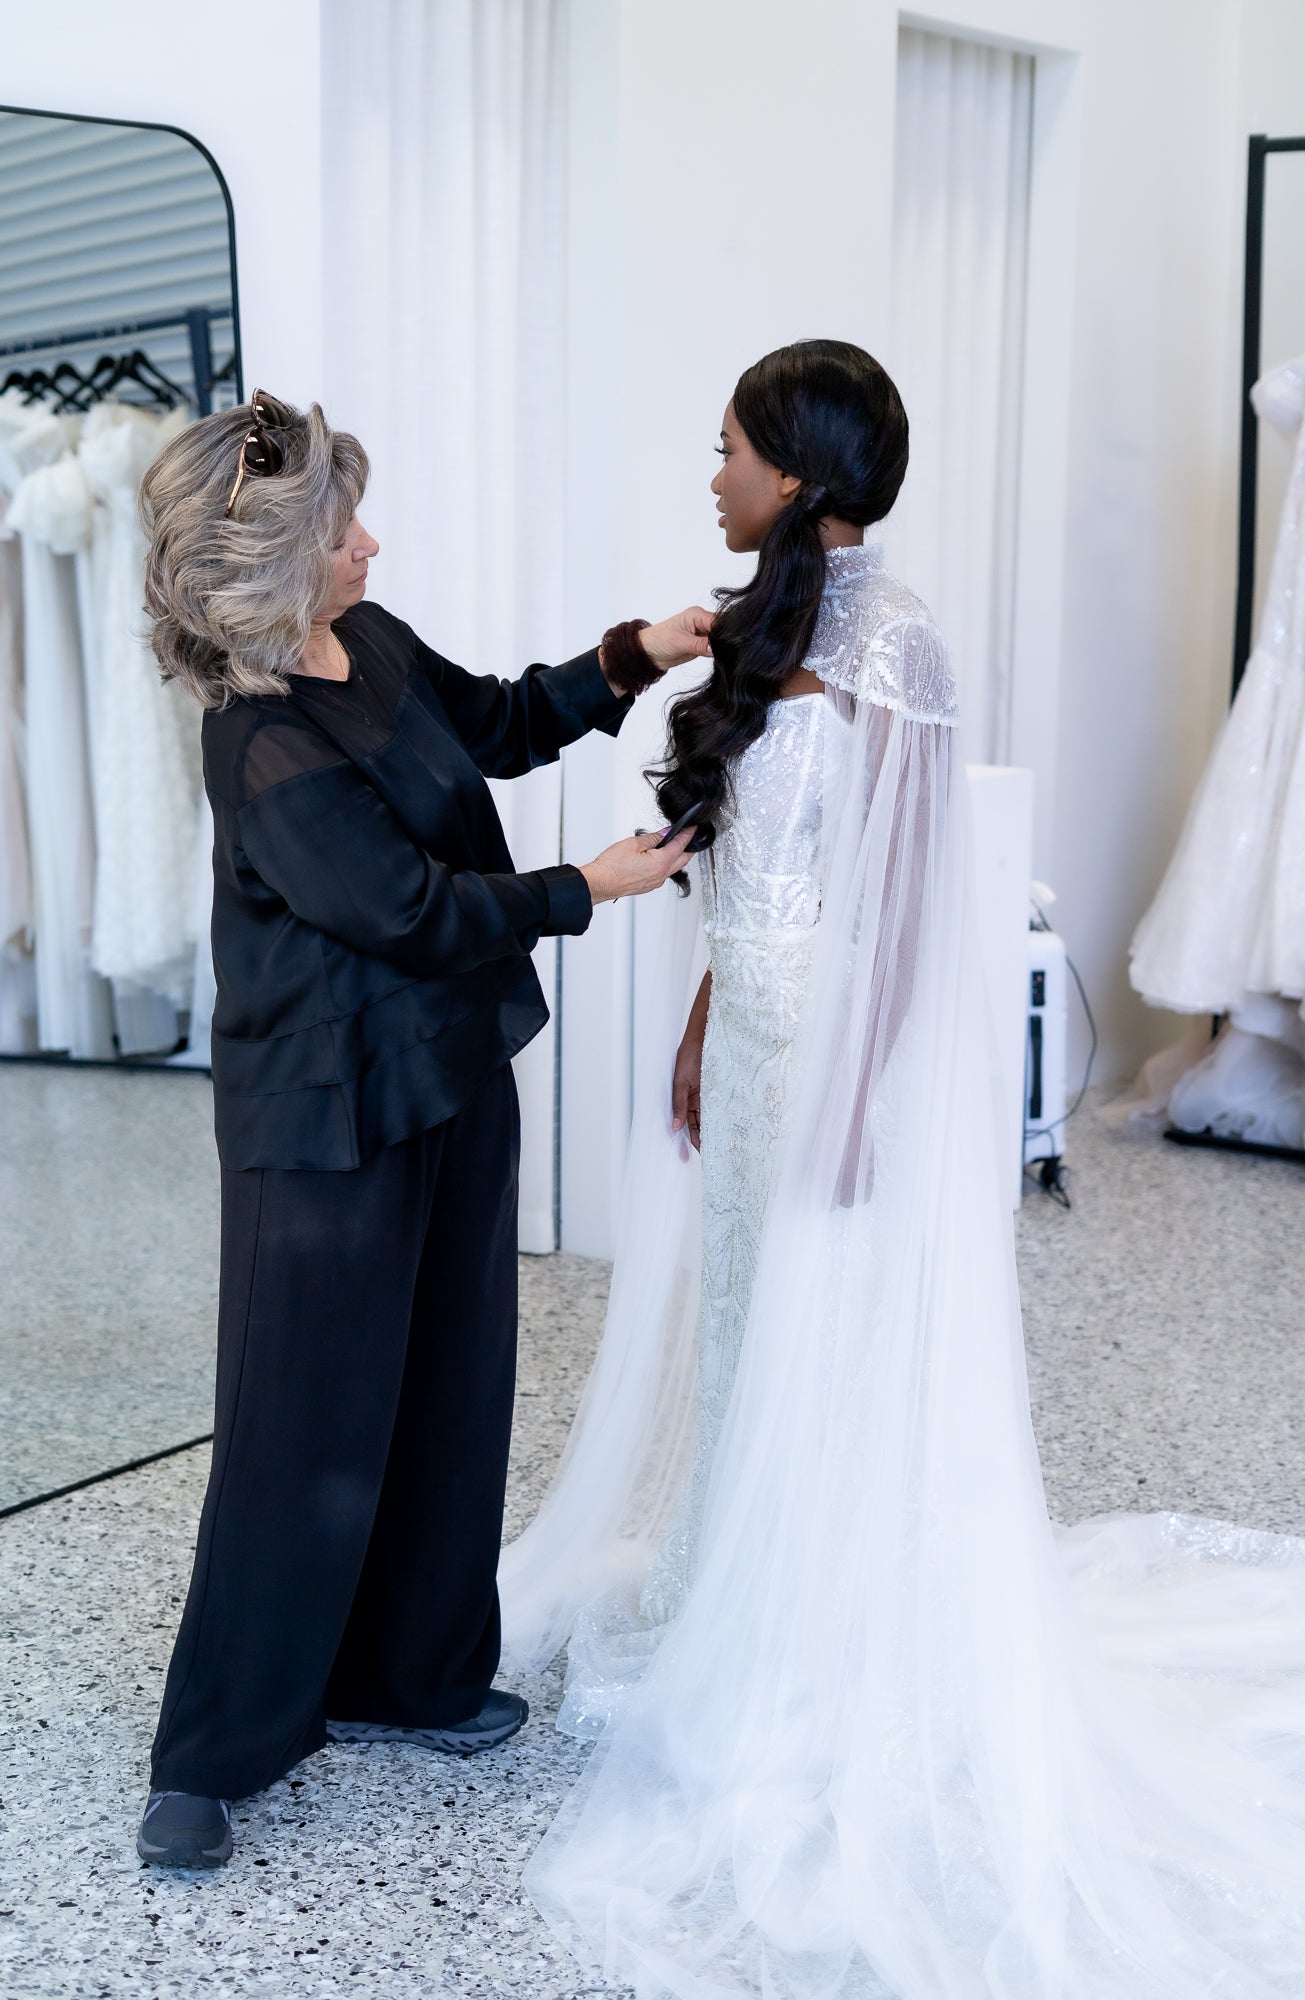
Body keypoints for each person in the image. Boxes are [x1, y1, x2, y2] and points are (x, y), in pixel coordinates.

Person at [501, 341, 1305, 1998]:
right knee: (747, 1308)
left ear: (800, 471)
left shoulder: (899, 644)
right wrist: (696, 1021)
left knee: (829, 1317)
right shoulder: (757, 623)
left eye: (729, 447)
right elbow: (747, 863)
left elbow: (904, 901)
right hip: (749, 1036)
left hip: (841, 1055)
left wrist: (867, 1096)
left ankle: (824, 1626)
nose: (710, 471)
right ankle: (734, 1572)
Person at [132, 390, 707, 1869]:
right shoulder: (257, 745)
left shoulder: (367, 644)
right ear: (273, 564)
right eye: (343, 529)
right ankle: (214, 1748)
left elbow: (498, 723)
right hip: (324, 1116)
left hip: (450, 1073)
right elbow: (409, 912)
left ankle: (408, 1676)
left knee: (451, 1386)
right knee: (298, 1429)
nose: (371, 544)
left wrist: (633, 654)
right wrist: (592, 888)